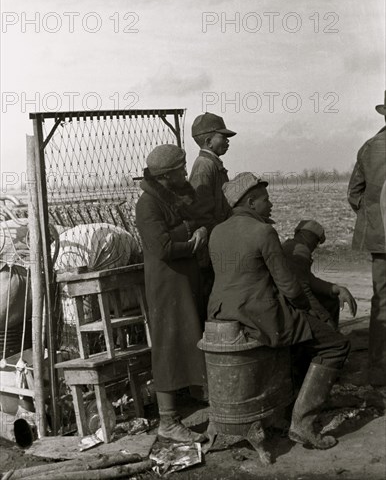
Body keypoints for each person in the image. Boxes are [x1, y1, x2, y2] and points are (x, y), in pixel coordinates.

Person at [208, 173, 350, 449]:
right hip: (257, 316)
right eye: (266, 199)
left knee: (305, 335)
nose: (270, 205)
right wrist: (316, 314)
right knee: (336, 344)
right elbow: (290, 287)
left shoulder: (217, 231)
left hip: (221, 313)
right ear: (251, 201)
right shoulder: (263, 231)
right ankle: (303, 425)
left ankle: (290, 403)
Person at [135, 144, 208, 443]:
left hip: (183, 280)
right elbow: (161, 247)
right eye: (180, 168)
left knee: (190, 337)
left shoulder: (175, 196)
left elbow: (190, 222)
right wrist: (193, 236)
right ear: (167, 175)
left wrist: (193, 229)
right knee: (167, 344)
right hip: (166, 284)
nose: (184, 171)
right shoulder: (148, 205)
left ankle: (198, 396)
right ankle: (167, 421)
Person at [348, 91, 386, 387]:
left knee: (382, 301)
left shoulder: (369, 147)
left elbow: (354, 194)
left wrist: (375, 216)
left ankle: (377, 371)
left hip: (381, 238)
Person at [189, 112, 236, 300]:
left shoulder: (211, 164)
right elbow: (201, 213)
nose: (227, 141)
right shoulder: (204, 166)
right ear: (208, 141)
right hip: (210, 248)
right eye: (223, 137)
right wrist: (221, 235)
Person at [282, 220, 357, 330]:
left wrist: (335, 288)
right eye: (316, 241)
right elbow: (304, 290)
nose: (316, 246)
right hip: (290, 304)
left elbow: (307, 278)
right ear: (309, 238)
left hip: (287, 299)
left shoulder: (289, 245)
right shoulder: (300, 250)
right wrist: (325, 319)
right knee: (331, 304)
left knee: (330, 298)